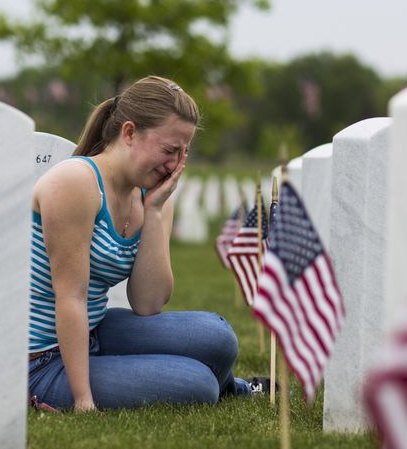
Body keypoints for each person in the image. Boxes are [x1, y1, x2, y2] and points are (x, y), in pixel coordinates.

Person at [28, 75, 264, 411]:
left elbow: (147, 303)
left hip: (94, 330)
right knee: (196, 384)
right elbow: (70, 297)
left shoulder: (153, 194)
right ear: (129, 133)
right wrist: (82, 400)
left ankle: (229, 385)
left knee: (217, 337)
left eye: (184, 152)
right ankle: (229, 387)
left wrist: (153, 212)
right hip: (43, 359)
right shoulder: (75, 183)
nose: (175, 165)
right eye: (170, 150)